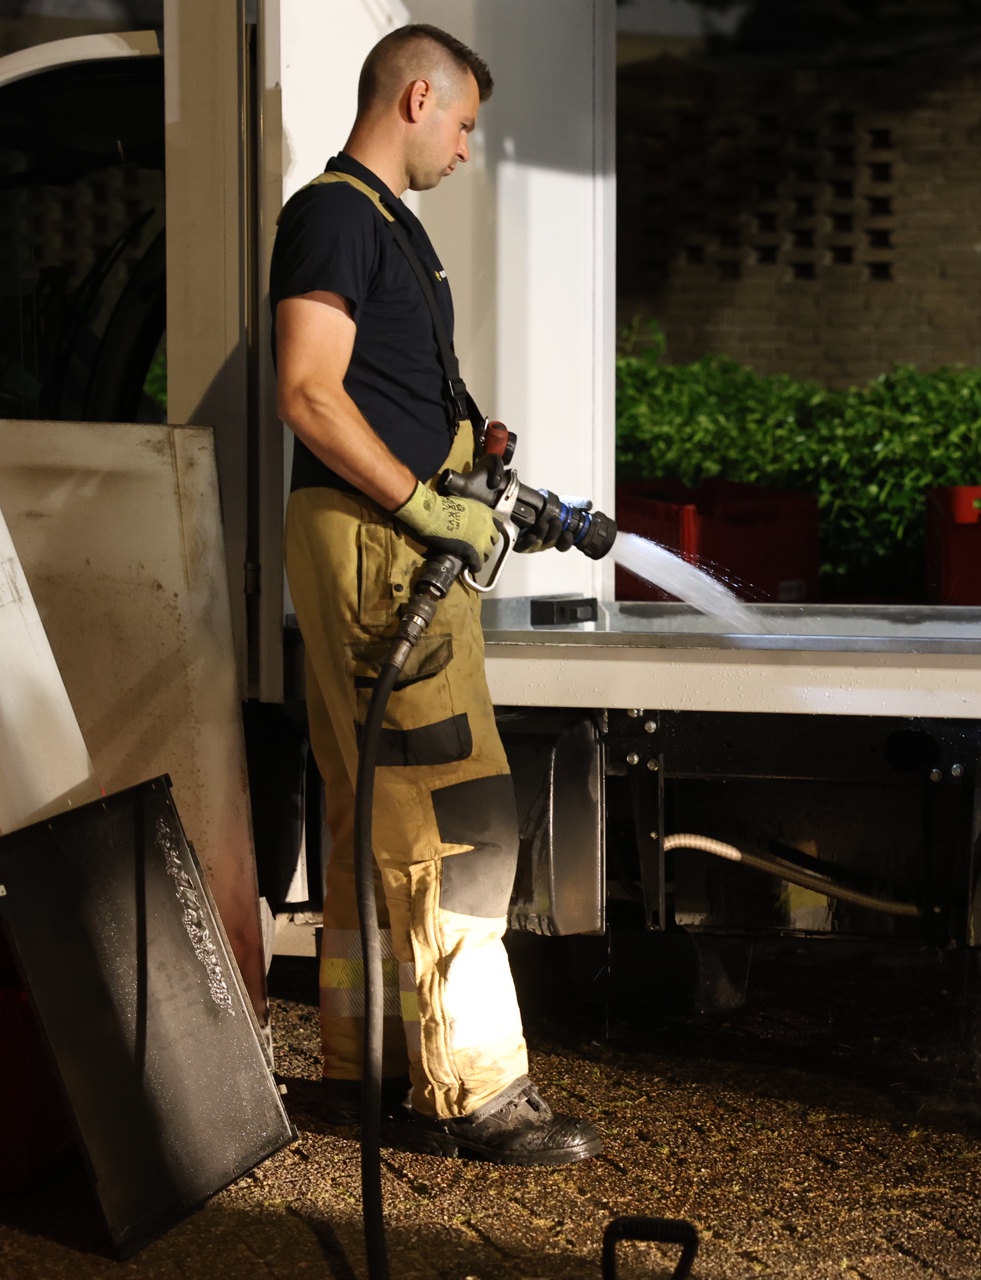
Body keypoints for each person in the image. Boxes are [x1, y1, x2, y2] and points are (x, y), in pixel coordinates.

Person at [271, 23, 601, 1164]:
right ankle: (477, 1092)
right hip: (381, 550)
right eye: (464, 124)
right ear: (420, 97)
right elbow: (309, 394)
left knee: (377, 812)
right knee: (454, 819)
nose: (467, 149)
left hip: (383, 540)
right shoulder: (334, 215)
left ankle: (373, 1067)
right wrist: (420, 500)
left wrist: (467, 458)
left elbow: (377, 387)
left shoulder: (382, 228)